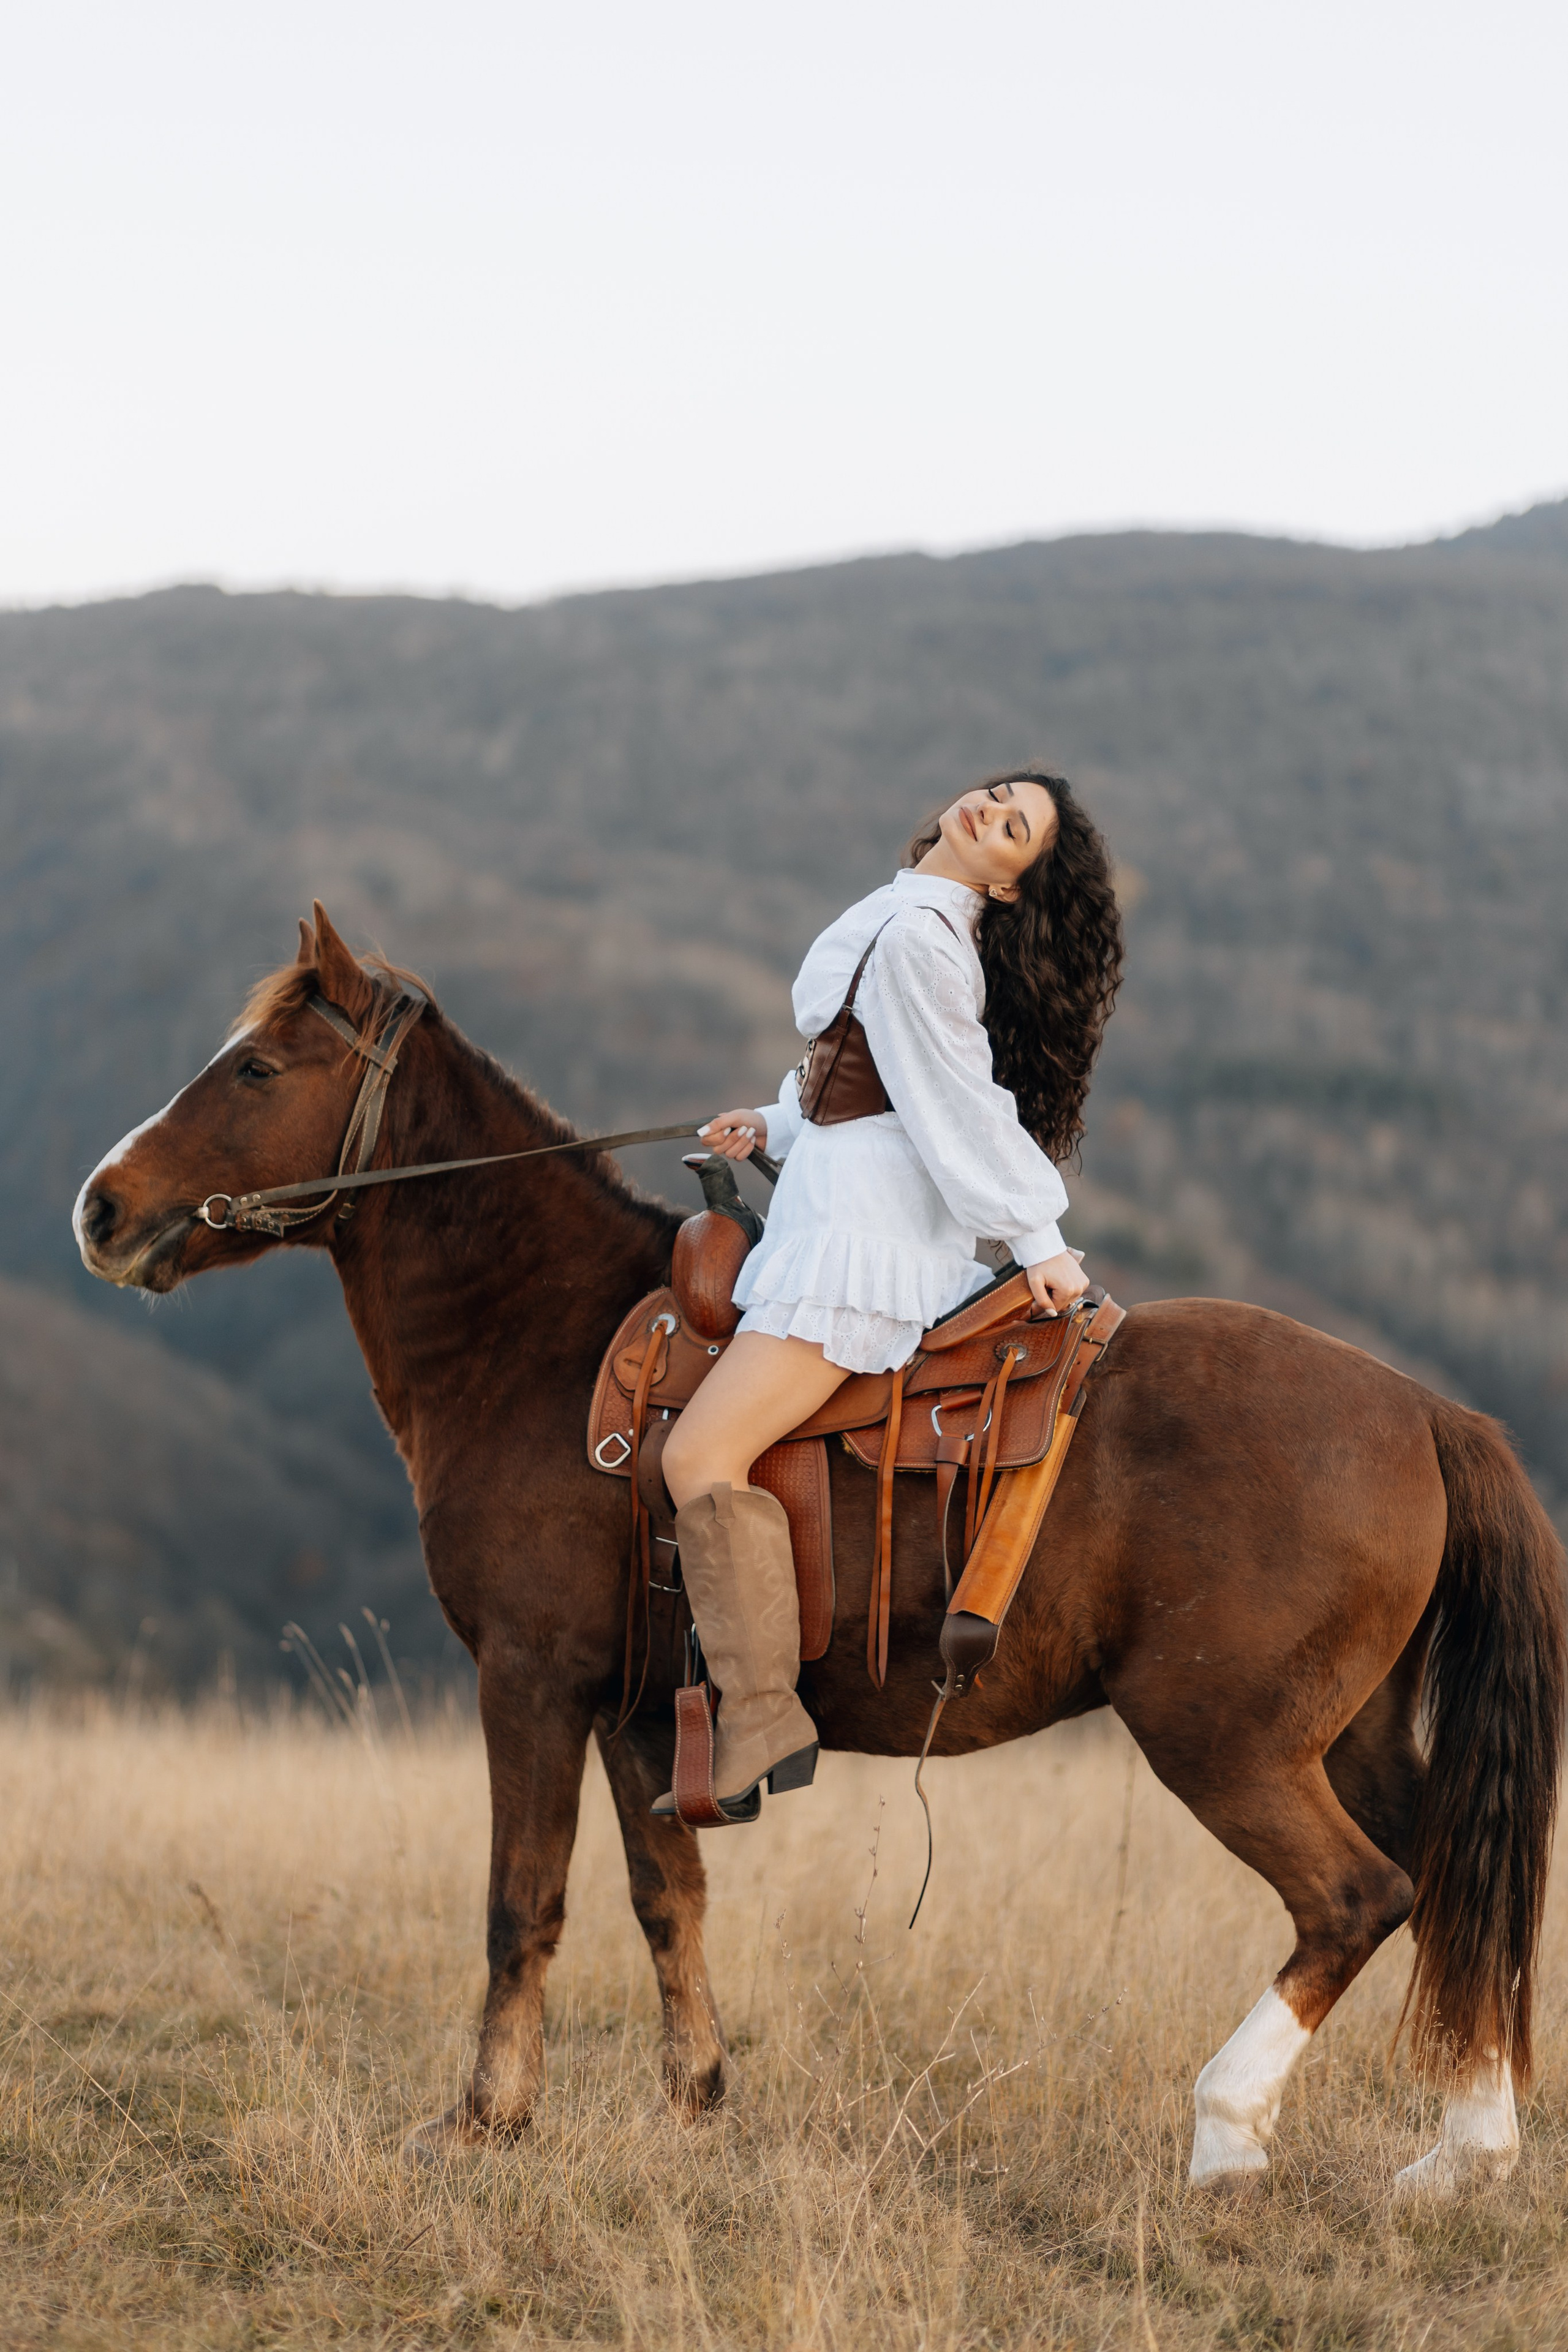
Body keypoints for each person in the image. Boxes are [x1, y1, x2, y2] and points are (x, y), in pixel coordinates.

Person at [654, 767, 1125, 1822]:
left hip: (860, 1245)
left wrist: (1036, 1237)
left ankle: (765, 1713)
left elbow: (955, 1101)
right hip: (840, 1201)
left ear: (1010, 885)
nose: (988, 813)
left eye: (1015, 829)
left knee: (697, 1453)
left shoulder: (921, 935)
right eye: (996, 796)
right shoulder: (909, 913)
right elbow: (862, 1080)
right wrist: (772, 1126)